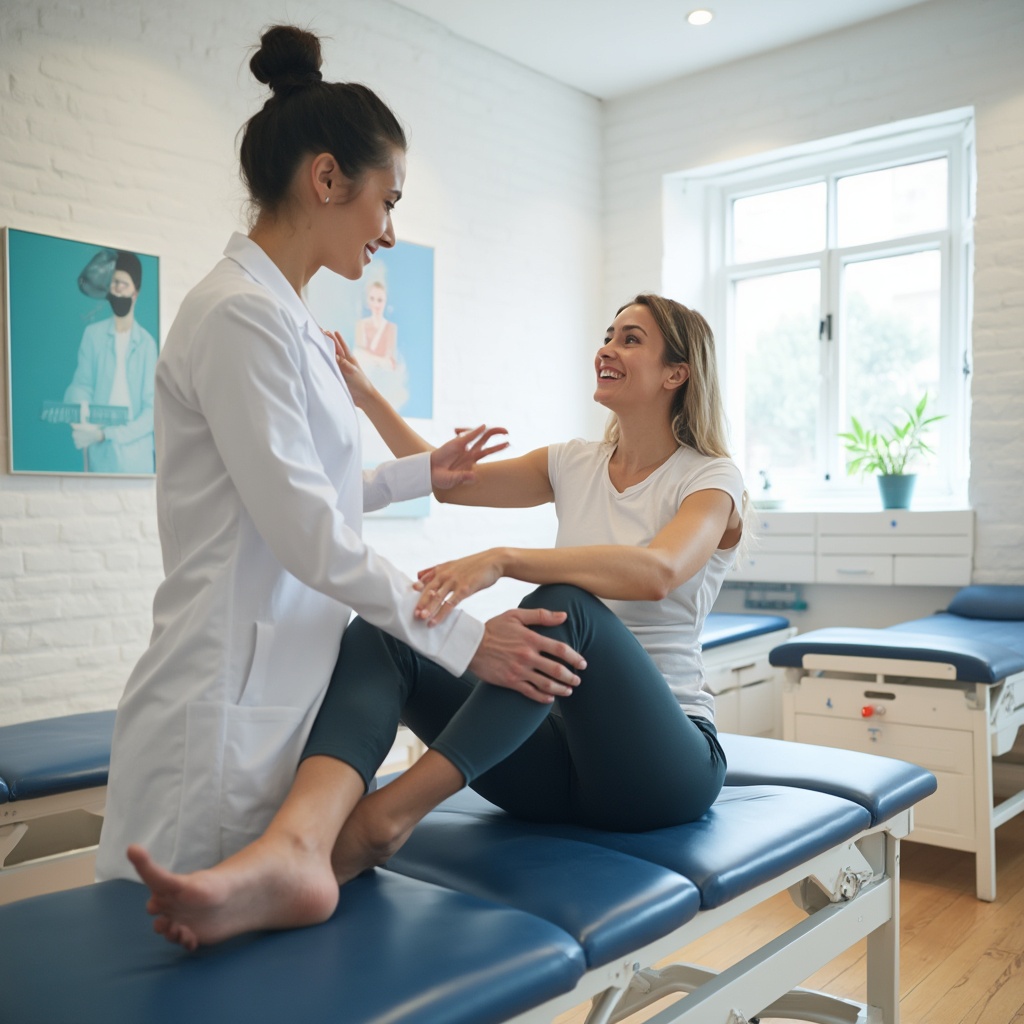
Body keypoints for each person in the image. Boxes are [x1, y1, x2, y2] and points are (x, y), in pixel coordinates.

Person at [96, 23, 586, 911]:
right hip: (221, 704)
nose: (390, 231)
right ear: (327, 179)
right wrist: (471, 640)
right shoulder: (240, 317)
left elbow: (300, 494)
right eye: (387, 201)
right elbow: (307, 532)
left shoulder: (285, 323)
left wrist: (417, 475)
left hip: (282, 682)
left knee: (255, 942)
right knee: (169, 952)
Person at [127, 291, 746, 952]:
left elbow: (659, 571)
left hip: (658, 768)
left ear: (676, 373)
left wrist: (504, 559)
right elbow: (450, 480)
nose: (607, 348)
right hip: (553, 767)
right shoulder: (574, 462)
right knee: (386, 629)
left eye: (630, 338)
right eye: (607, 333)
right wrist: (368, 397)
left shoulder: (711, 479)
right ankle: (298, 844)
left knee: (565, 606)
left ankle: (378, 824)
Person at [63, 250, 158, 474]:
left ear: (136, 291)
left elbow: (152, 411)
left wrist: (107, 434)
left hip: (137, 458)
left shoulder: (146, 344)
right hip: (99, 455)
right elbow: (81, 385)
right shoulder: (92, 335)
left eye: (123, 283)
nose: (116, 288)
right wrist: (81, 415)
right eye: (113, 282)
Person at [354, 278, 409, 409]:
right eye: (372, 299)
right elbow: (358, 357)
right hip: (365, 379)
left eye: (380, 300)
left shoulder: (391, 328)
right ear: (368, 301)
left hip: (383, 381)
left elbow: (390, 362)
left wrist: (371, 358)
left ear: (385, 302)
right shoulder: (361, 325)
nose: (376, 304)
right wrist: (378, 360)